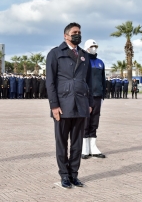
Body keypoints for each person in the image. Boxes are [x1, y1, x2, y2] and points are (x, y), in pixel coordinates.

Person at [46, 22, 93, 189]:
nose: (77, 35)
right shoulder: (55, 53)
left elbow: (88, 81)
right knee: (61, 142)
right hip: (63, 104)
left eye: (79, 32)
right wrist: (54, 105)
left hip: (81, 104)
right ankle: (64, 175)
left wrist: (89, 103)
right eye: (74, 32)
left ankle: (74, 174)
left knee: (77, 143)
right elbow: (50, 82)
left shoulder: (84, 55)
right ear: (66, 36)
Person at [81, 39, 106, 160]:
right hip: (86, 97)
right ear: (86, 48)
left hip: (97, 96)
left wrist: (103, 95)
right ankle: (84, 148)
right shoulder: (83, 61)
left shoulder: (100, 62)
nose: (94, 48)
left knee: (95, 121)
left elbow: (103, 80)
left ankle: (93, 147)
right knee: (86, 121)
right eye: (92, 46)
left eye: (95, 46)